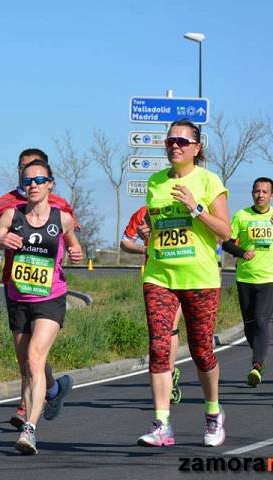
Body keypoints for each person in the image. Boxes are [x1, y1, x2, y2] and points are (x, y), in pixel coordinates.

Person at [137, 119, 230, 448]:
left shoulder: (208, 180)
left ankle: (213, 412)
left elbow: (225, 231)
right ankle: (162, 423)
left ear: (196, 147)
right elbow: (155, 221)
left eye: (181, 141)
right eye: (170, 141)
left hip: (200, 277)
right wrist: (149, 234)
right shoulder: (155, 182)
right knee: (159, 347)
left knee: (202, 349)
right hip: (159, 275)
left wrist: (196, 207)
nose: (174, 146)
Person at [0, 159, 82, 454]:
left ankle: (30, 429)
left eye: (39, 180)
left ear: (50, 184)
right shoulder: (11, 215)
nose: (33, 186)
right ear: (22, 186)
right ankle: (53, 390)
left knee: (36, 359)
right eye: (28, 182)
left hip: (50, 298)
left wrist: (76, 252)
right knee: (26, 366)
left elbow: (75, 247)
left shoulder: (61, 218)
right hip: (18, 297)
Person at [120, 206, 183, 404]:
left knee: (172, 327)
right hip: (157, 278)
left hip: (186, 275)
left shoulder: (186, 207)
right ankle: (168, 376)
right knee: (164, 329)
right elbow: (125, 242)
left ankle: (170, 373)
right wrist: (145, 247)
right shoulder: (144, 211)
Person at [222, 177, 273, 387]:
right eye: (256, 191)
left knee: (262, 320)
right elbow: (226, 243)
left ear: (271, 195)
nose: (260, 195)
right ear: (252, 193)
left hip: (269, 278)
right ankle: (259, 353)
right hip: (245, 277)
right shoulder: (241, 216)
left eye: (264, 192)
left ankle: (257, 365)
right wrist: (242, 253)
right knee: (250, 325)